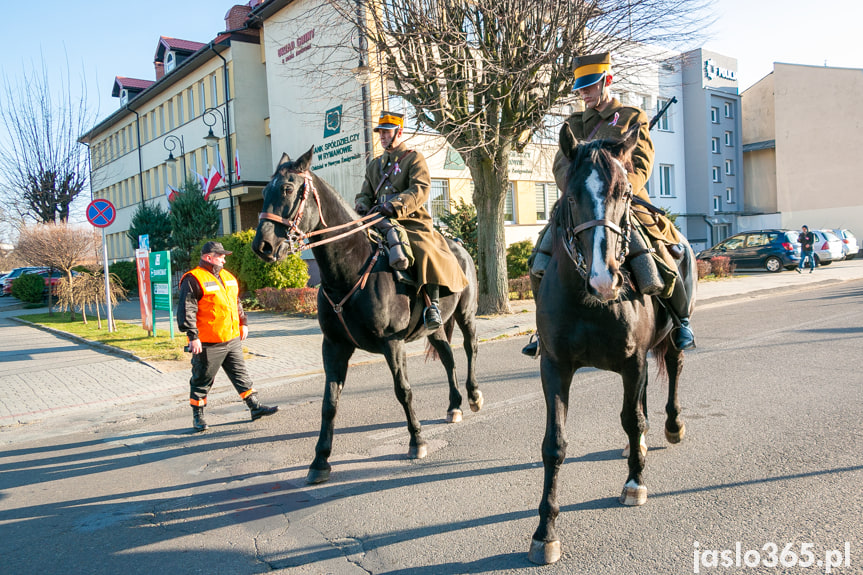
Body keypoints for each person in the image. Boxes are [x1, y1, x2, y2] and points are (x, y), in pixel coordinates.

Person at [522, 52, 695, 357]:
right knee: (539, 260)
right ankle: (543, 328)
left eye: (589, 87)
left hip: (622, 203)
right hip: (582, 206)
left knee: (663, 254)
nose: (583, 93)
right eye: (580, 88)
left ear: (607, 82)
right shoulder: (574, 124)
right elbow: (561, 164)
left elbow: (641, 163)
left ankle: (681, 321)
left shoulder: (631, 117)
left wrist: (617, 186)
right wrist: (580, 189)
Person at [355, 111, 468, 330]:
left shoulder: (414, 158)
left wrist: (394, 206)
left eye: (387, 132)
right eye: (381, 132)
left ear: (399, 132)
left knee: (424, 249)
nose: (383, 136)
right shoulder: (375, 165)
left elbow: (420, 189)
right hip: (378, 219)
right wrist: (361, 203)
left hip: (410, 219)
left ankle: (432, 305)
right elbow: (365, 192)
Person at [177, 241, 278, 431]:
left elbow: (236, 302)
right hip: (208, 342)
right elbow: (186, 310)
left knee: (241, 375)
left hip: (231, 338)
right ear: (208, 257)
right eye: (220, 255)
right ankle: (197, 417)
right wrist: (193, 336)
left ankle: (255, 407)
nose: (224, 259)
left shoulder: (228, 277)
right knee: (202, 379)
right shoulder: (193, 279)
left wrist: (243, 323)